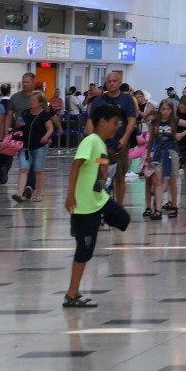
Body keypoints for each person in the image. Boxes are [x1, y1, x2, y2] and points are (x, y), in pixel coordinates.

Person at [62, 101, 126, 308]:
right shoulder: (90, 141)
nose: (116, 127)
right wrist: (70, 195)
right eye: (114, 123)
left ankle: (98, 220)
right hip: (85, 207)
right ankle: (72, 295)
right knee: (84, 251)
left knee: (123, 219)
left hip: (99, 201)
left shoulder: (101, 145)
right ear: (102, 122)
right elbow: (76, 166)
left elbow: (99, 170)